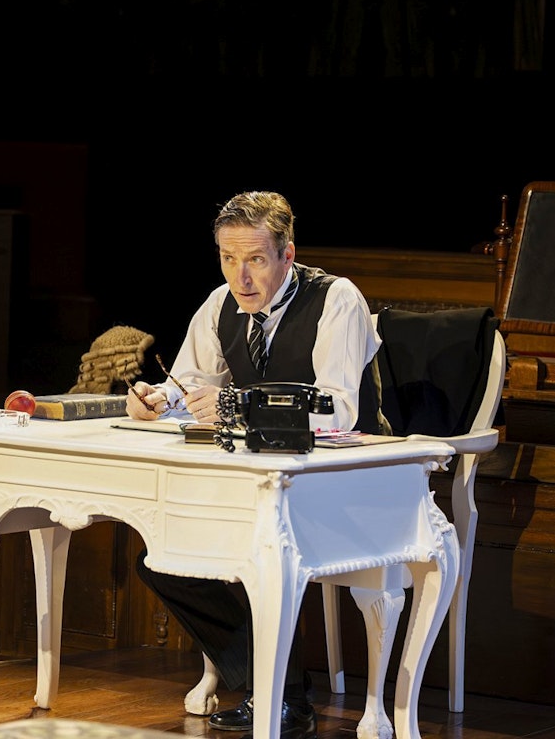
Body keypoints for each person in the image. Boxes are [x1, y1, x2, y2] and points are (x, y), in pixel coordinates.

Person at [125, 190, 383, 737]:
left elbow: (335, 411)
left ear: (288, 255)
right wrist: (159, 399)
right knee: (163, 558)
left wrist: (234, 407)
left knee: (256, 551)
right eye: (228, 258)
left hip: (345, 477)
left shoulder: (337, 299)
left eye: (256, 259)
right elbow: (193, 381)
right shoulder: (221, 304)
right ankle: (277, 690)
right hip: (260, 477)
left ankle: (280, 694)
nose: (240, 276)